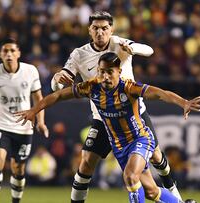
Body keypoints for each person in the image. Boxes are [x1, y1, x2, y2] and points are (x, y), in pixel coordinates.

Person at [15, 52, 200, 203]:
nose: (105, 76)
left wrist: (182, 102)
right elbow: (58, 96)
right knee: (152, 191)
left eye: (109, 72)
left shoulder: (128, 88)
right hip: (119, 147)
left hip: (140, 139)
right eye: (101, 71)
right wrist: (34, 109)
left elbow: (160, 94)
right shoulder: (91, 86)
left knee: (130, 176)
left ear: (119, 71)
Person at [51, 11, 182, 202]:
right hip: (102, 117)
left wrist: (133, 48)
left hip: (132, 113)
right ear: (89, 30)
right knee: (86, 162)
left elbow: (149, 51)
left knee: (156, 157)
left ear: (111, 29)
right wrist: (56, 79)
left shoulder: (119, 43)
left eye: (104, 28)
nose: (100, 32)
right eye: (95, 28)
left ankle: (177, 197)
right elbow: (58, 86)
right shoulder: (79, 54)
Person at [0, 38, 49, 203]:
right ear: (0, 54)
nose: (9, 54)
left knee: (18, 168)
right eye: (5, 51)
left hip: (24, 128)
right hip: (1, 125)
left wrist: (41, 122)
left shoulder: (30, 71)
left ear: (18, 53)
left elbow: (38, 98)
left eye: (12, 51)